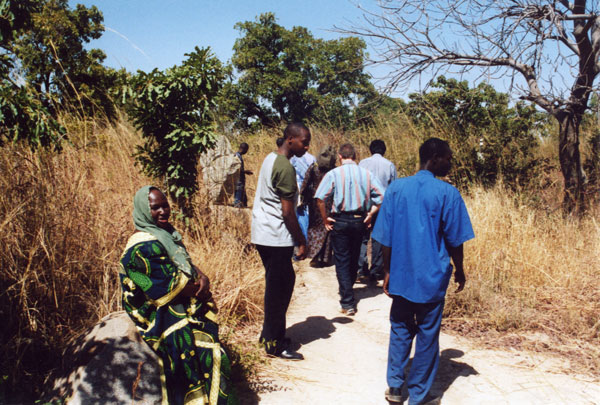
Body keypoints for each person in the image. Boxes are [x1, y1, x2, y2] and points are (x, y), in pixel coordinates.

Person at [372, 138, 475, 405]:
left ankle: (395, 388)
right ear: (436, 157)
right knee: (428, 334)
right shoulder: (447, 193)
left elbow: (385, 238)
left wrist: (387, 271)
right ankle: (418, 395)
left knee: (400, 328)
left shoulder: (396, 189)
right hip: (431, 277)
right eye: (448, 158)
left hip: (402, 275)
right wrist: (460, 271)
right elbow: (455, 241)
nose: (450, 163)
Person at [120, 186, 236, 405]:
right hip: (152, 307)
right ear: (144, 210)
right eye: (155, 208)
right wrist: (201, 292)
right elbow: (165, 285)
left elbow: (186, 264)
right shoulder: (142, 245)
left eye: (165, 205)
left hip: (174, 296)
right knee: (190, 345)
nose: (163, 211)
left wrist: (203, 278)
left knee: (207, 344)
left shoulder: (164, 233)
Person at [251, 122, 311, 360]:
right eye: (303, 142)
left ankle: (268, 336)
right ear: (290, 140)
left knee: (277, 286)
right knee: (280, 290)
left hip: (263, 233)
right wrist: (301, 240)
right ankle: (275, 344)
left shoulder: (270, 159)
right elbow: (287, 212)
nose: (306, 147)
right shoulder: (285, 167)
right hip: (276, 237)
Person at [314, 143, 384, 315]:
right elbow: (382, 196)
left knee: (342, 259)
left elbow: (320, 198)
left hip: (341, 220)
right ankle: (349, 289)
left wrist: (325, 218)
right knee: (354, 257)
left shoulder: (333, 174)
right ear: (355, 155)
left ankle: (347, 301)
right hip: (360, 220)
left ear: (339, 156)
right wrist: (370, 214)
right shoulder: (367, 174)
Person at [357, 139, 397, 283]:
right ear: (384, 151)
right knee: (379, 237)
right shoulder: (390, 165)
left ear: (371, 150)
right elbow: (393, 188)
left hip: (365, 205)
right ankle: (376, 270)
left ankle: (361, 269)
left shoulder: (362, 163)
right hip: (382, 206)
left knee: (362, 236)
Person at [299, 145, 337, 268]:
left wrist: (302, 197)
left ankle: (315, 255)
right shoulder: (334, 170)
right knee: (328, 227)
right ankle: (325, 257)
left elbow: (305, 183)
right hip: (330, 201)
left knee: (315, 227)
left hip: (315, 201)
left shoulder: (314, 168)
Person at [290, 150, 316, 242]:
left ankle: (301, 242)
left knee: (300, 215)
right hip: (309, 190)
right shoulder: (312, 158)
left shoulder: (293, 158)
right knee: (306, 214)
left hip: (298, 190)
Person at [233, 142, 253, 208]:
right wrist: (246, 171)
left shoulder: (237, 155)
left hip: (239, 180)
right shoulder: (237, 156)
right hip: (238, 180)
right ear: (244, 149)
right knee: (238, 199)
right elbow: (237, 169)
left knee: (242, 198)